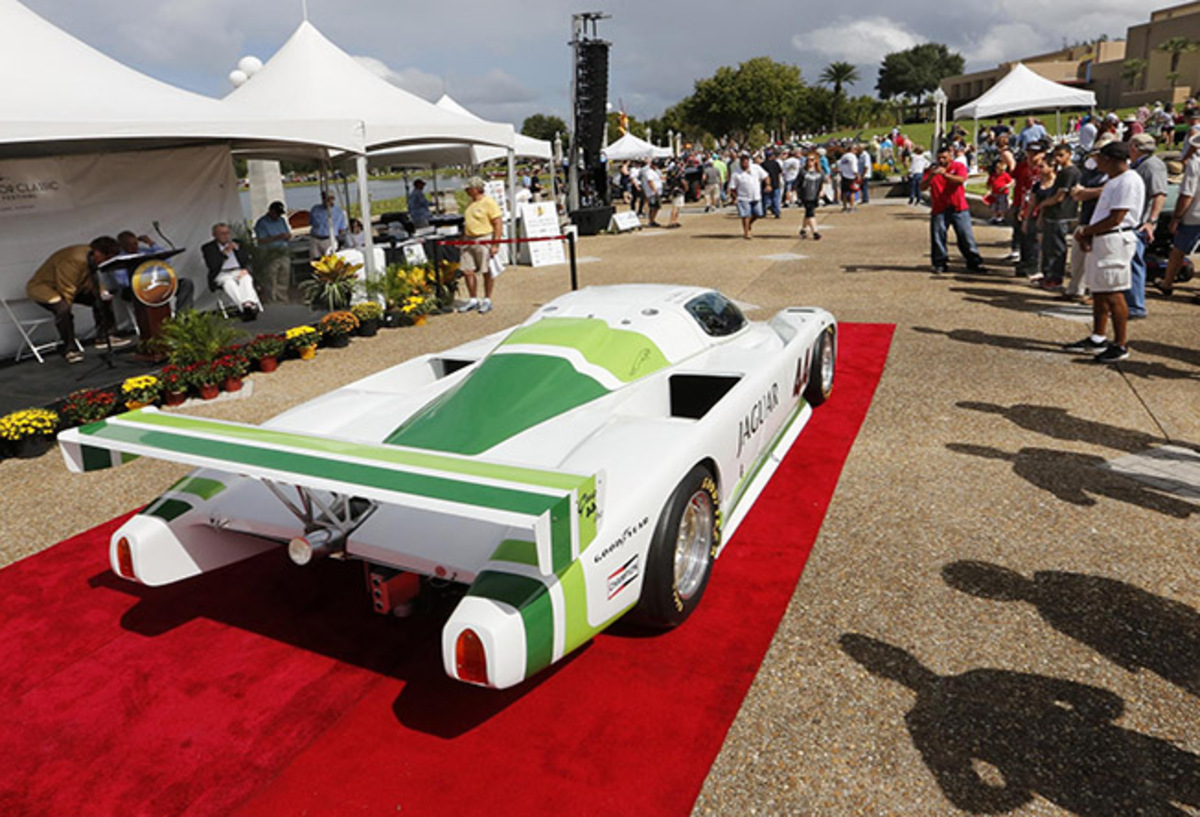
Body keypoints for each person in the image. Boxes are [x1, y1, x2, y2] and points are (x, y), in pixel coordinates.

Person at [1063, 141, 1145, 364]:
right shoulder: (1114, 181)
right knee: (1099, 290)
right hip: (1104, 238)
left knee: (1113, 292)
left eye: (1100, 158)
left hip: (1115, 239)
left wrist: (1087, 231)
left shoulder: (1128, 181)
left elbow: (1117, 218)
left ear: (1109, 159)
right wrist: (1090, 234)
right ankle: (1098, 336)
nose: (1096, 161)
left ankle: (1120, 344)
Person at [26, 237, 133, 363]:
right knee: (63, 309)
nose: (106, 261)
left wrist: (102, 292)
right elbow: (66, 287)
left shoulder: (91, 256)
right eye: (106, 258)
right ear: (99, 253)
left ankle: (105, 336)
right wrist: (68, 309)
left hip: (72, 285)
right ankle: (69, 349)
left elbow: (92, 279)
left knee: (103, 298)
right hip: (45, 287)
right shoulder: (74, 259)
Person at [921, 146, 985, 274]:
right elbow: (922, 187)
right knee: (938, 237)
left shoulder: (958, 166)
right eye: (939, 158)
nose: (941, 160)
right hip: (940, 208)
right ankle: (940, 263)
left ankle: (973, 262)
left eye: (944, 157)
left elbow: (960, 180)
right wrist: (931, 177)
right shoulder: (931, 170)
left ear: (950, 156)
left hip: (959, 207)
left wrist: (945, 174)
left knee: (966, 237)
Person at [1156, 131, 1200, 299]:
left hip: (1195, 214)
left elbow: (1187, 194)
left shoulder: (1195, 163)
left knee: (1178, 250)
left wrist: (1176, 217)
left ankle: (1168, 282)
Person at [1127, 133, 1166, 318]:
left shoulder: (1152, 165)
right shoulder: (1141, 165)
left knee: (1135, 262)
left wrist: (1151, 221)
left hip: (1142, 223)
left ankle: (1136, 306)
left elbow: (1159, 194)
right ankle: (1129, 303)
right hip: (1136, 220)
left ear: (1135, 147)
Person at [114, 230, 195, 313]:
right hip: (138, 289)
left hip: (158, 283)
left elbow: (167, 260)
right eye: (129, 245)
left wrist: (151, 243)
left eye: (135, 243)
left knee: (185, 283)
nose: (134, 247)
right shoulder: (120, 260)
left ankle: (183, 315)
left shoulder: (145, 251)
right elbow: (122, 282)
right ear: (122, 246)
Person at [1036, 144, 1082, 290]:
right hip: (1055, 214)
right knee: (1049, 246)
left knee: (1057, 248)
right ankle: (1048, 275)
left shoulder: (1069, 172)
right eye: (1056, 155)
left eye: (1061, 155)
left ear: (1069, 154)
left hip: (1061, 214)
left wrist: (1044, 204)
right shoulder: (1063, 171)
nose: (1057, 158)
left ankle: (1056, 278)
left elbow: (1060, 196)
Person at [456, 176, 503, 314]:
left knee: (487, 270)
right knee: (467, 270)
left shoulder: (489, 203)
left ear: (476, 189)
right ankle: (473, 299)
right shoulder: (470, 202)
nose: (466, 191)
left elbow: (498, 223)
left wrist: (495, 244)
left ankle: (487, 299)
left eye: (468, 189)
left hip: (484, 238)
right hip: (468, 239)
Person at [201, 222, 262, 321]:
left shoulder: (237, 243)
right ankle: (245, 308)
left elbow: (247, 259)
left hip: (237, 270)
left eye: (227, 233)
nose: (226, 236)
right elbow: (213, 265)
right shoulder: (208, 248)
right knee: (229, 283)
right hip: (221, 273)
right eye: (222, 234)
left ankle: (248, 304)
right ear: (214, 235)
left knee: (246, 278)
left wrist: (245, 268)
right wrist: (225, 252)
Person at [252, 200, 292, 302]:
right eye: (276, 213)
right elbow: (260, 240)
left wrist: (287, 236)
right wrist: (277, 237)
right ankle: (272, 301)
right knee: (271, 279)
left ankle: (282, 299)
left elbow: (287, 233)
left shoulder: (281, 220)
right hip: (270, 253)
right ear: (271, 211)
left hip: (283, 251)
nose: (278, 216)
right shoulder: (262, 223)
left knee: (284, 277)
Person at [728, 152, 769, 240]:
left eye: (746, 161)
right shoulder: (736, 173)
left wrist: (768, 185)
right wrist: (734, 198)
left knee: (758, 213)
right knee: (745, 215)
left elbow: (765, 176)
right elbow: (732, 187)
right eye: (743, 161)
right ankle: (746, 232)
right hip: (743, 197)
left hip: (756, 196)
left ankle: (748, 224)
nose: (745, 163)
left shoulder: (756, 168)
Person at [795, 153, 826, 240]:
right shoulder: (803, 171)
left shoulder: (820, 171)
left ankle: (803, 229)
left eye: (812, 160)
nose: (809, 162)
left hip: (815, 195)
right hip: (805, 195)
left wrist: (822, 191)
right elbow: (797, 183)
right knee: (810, 213)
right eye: (808, 160)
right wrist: (796, 193)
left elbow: (822, 182)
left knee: (808, 213)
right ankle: (815, 232)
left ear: (816, 161)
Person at [308, 191, 347, 258]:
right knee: (315, 260)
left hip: (329, 239)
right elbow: (311, 222)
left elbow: (341, 228)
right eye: (325, 198)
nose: (328, 201)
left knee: (331, 259)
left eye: (331, 198)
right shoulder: (315, 209)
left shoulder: (339, 211)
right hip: (315, 239)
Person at [760, 149, 783, 218]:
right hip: (775, 183)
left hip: (766, 184)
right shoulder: (776, 163)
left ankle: (763, 212)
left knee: (765, 199)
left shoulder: (763, 164)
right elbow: (780, 172)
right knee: (776, 199)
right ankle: (777, 212)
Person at [838, 146, 860, 212]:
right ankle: (852, 207)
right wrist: (857, 174)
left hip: (844, 175)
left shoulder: (843, 156)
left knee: (844, 192)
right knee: (852, 192)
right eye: (855, 149)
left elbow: (840, 167)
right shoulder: (853, 157)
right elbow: (854, 167)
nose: (856, 151)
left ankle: (844, 207)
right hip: (851, 176)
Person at [641, 160, 663, 227]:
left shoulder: (656, 171)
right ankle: (651, 220)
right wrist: (654, 190)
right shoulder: (649, 172)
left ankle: (653, 220)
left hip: (657, 191)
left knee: (657, 207)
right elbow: (650, 181)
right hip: (652, 192)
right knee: (653, 207)